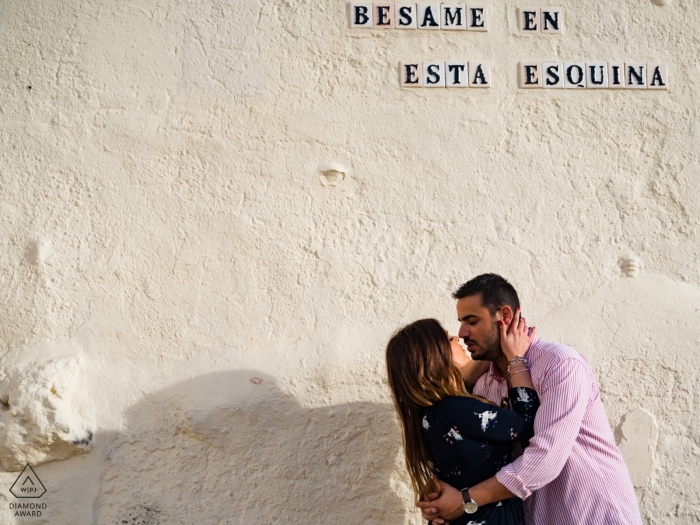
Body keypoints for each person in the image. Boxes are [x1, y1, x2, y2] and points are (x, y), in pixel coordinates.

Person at [417, 274, 642, 525]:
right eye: (461, 322)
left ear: (504, 316)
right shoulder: (484, 384)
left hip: (592, 516)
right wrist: (441, 502)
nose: (462, 332)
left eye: (471, 321)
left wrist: (464, 501)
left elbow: (544, 461)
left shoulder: (559, 364)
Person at [386, 314, 539, 525]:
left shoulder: (428, 415)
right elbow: (528, 425)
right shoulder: (455, 409)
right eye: (449, 340)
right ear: (435, 359)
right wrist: (516, 360)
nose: (457, 339)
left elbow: (467, 376)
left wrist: (497, 345)